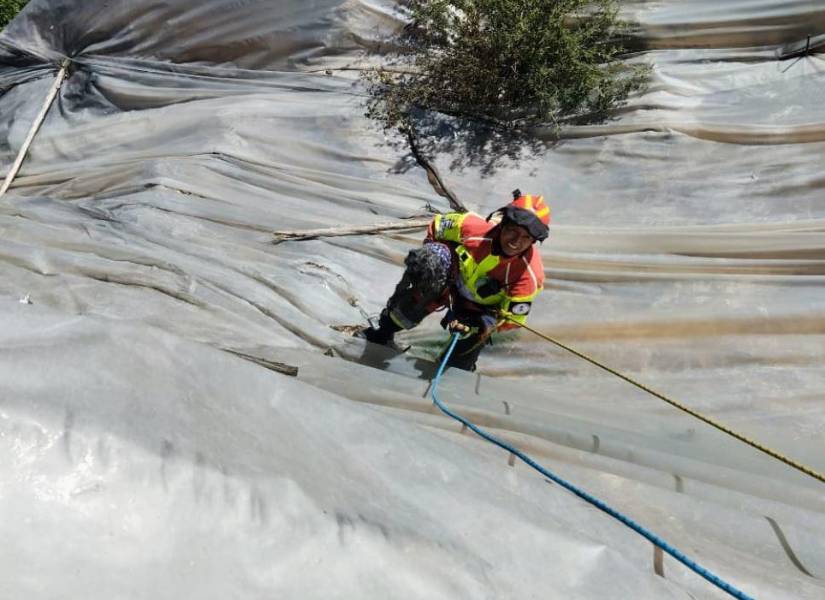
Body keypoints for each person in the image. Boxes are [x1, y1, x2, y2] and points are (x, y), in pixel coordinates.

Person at [362, 189, 548, 371]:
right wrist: (431, 267)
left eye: (526, 237)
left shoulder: (529, 276)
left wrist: (478, 325)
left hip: (478, 311)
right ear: (502, 224)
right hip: (447, 283)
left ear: (533, 241)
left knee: (457, 366)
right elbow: (437, 226)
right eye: (513, 231)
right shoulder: (470, 226)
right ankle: (383, 331)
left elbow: (513, 319)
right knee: (430, 262)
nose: (516, 241)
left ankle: (458, 356)